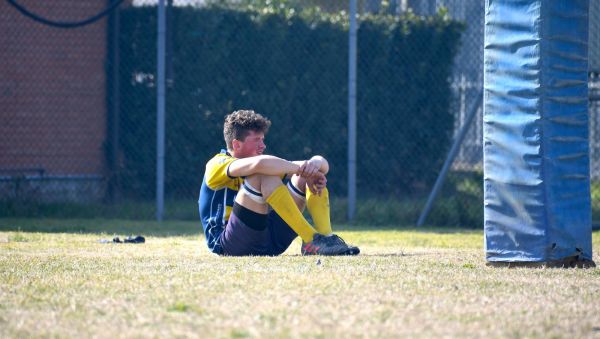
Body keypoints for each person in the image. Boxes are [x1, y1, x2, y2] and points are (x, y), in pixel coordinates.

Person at [198, 109, 359, 256]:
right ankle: (311, 238)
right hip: (230, 245)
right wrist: (301, 168)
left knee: (302, 176)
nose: (263, 145)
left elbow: (322, 164)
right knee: (263, 174)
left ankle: (326, 239)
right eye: (257, 140)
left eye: (263, 139)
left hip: (268, 240)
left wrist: (312, 168)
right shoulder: (217, 163)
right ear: (236, 144)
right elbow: (261, 164)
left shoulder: (263, 163)